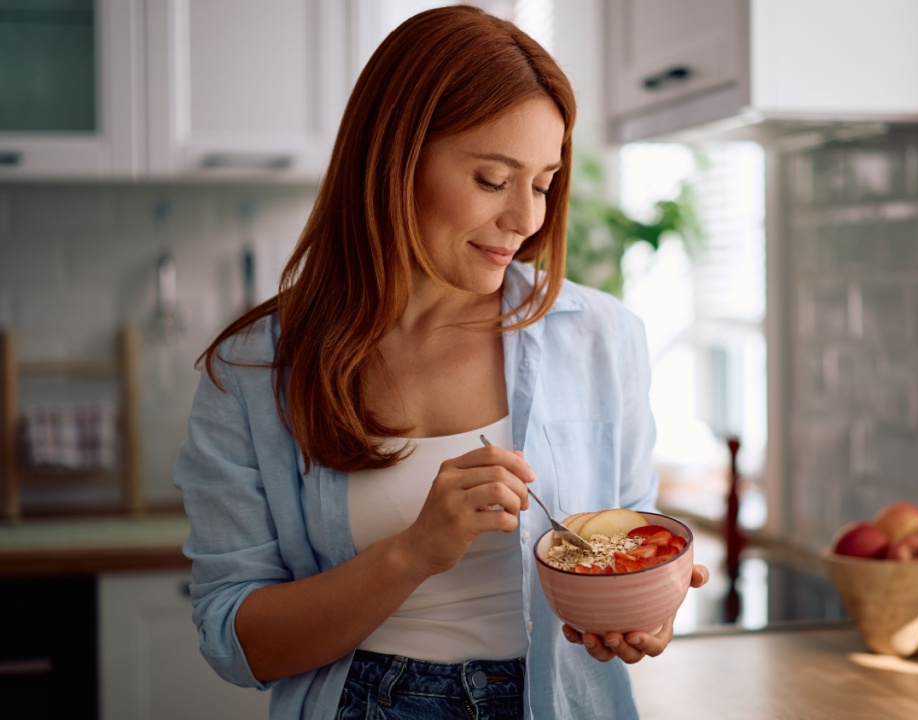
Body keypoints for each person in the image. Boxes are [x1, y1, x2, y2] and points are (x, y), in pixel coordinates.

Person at [173, 6, 710, 719]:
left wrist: (646, 611)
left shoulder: (601, 336)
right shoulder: (255, 372)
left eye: (544, 183)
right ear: (396, 160)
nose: (527, 219)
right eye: (493, 179)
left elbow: (628, 533)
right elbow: (237, 644)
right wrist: (414, 550)